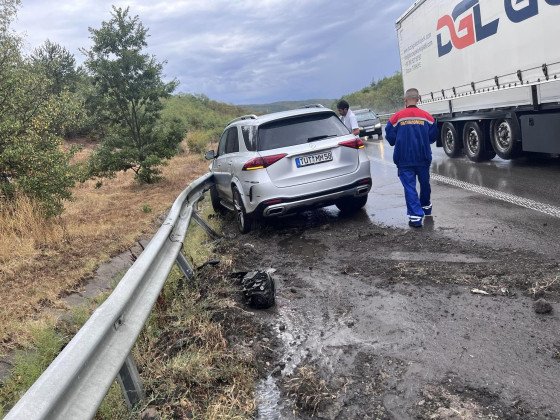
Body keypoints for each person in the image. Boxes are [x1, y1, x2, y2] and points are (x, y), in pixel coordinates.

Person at [385, 88, 438, 228]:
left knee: (410, 187)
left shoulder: (396, 117)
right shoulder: (427, 117)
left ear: (405, 100)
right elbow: (433, 137)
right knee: (425, 184)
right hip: (423, 157)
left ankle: (415, 217)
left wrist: (400, 138)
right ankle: (426, 207)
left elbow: (390, 136)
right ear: (419, 99)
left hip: (404, 159)